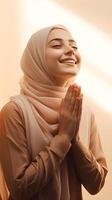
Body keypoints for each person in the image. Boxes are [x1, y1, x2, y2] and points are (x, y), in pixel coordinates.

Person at [0, 25, 108, 200]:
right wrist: (63, 138)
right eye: (57, 45)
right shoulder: (14, 112)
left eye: (74, 47)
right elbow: (20, 188)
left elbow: (95, 184)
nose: (70, 51)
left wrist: (75, 139)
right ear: (35, 59)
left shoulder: (83, 111)